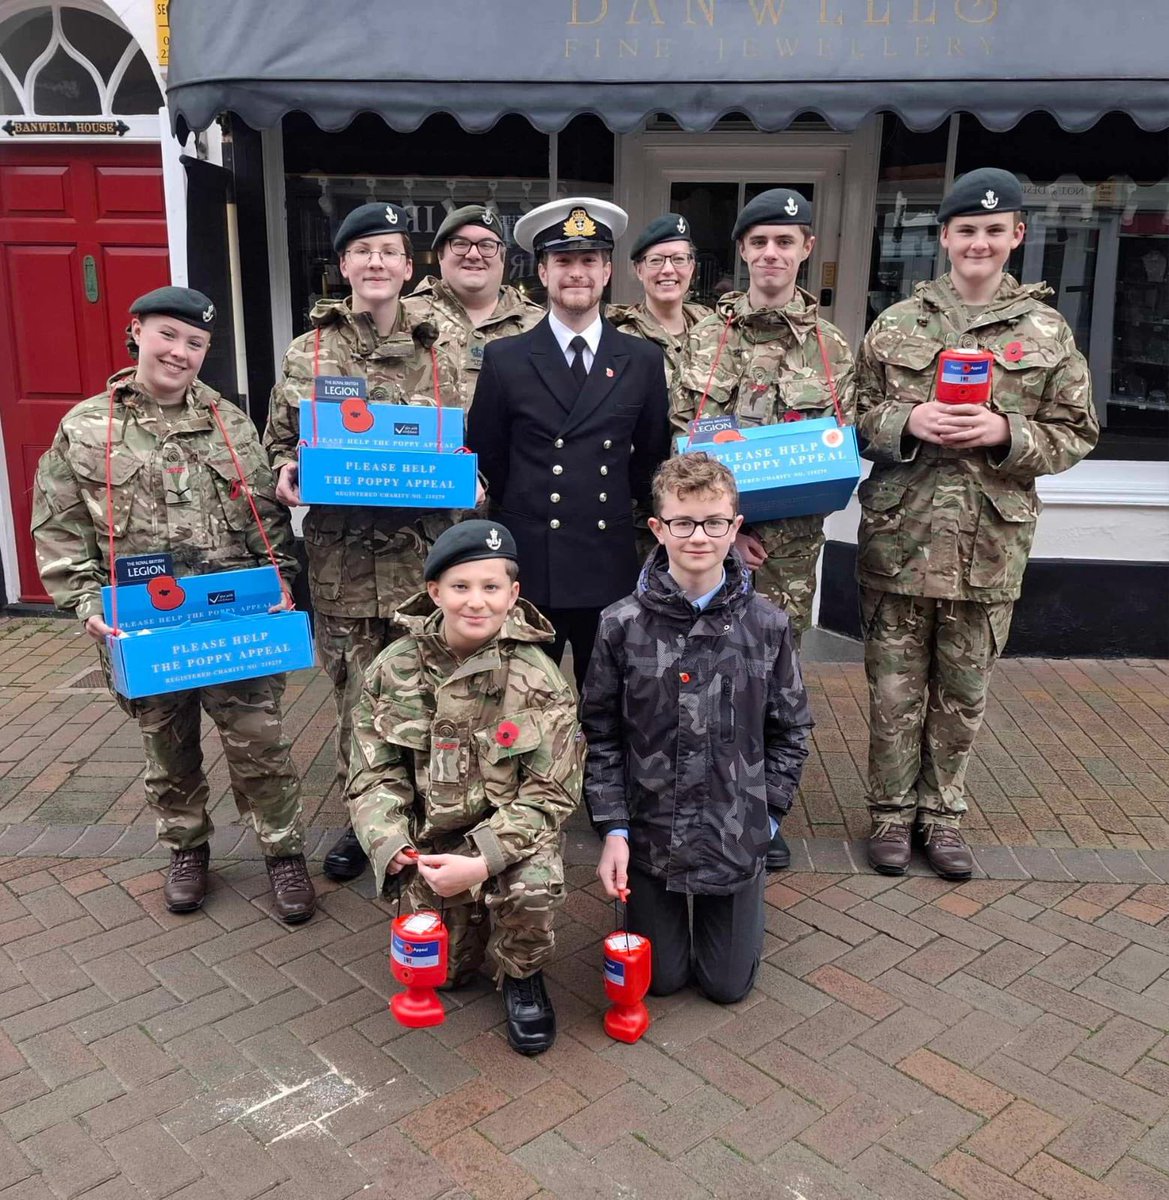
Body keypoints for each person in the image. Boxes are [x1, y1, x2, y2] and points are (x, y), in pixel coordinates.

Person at [32, 287, 315, 922]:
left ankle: (284, 853)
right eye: (168, 336)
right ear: (136, 332)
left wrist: (281, 583)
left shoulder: (228, 421)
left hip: (232, 619)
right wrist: (83, 603)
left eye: (195, 344)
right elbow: (58, 525)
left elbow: (264, 516)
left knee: (260, 744)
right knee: (168, 749)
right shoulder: (86, 428)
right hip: (144, 627)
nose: (180, 353)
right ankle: (187, 848)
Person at [856, 168, 1100, 880]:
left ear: (1015, 236)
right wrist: (907, 420)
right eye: (966, 230)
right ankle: (890, 816)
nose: (979, 243)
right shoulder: (897, 323)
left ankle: (942, 816)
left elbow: (1075, 430)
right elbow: (855, 415)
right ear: (944, 238)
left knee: (962, 694)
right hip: (899, 542)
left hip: (987, 547)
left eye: (994, 231)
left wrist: (1002, 432)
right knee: (894, 691)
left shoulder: (1046, 331)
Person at [264, 201, 460, 885]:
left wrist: (472, 481)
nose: (375, 263)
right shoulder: (307, 350)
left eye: (388, 251)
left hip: (422, 564)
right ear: (342, 265)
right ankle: (364, 824)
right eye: (361, 251)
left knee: (429, 698)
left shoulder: (450, 346)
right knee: (357, 704)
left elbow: (479, 447)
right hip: (342, 565)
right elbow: (277, 448)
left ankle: (426, 819)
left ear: (409, 267)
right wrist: (287, 473)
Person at [582, 453, 812, 1004]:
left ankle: (739, 899)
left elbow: (792, 730)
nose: (699, 537)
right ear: (658, 529)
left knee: (727, 986)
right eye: (682, 523)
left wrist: (768, 814)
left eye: (713, 522)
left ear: (734, 528)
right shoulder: (621, 625)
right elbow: (601, 734)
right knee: (658, 982)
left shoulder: (767, 624)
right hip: (652, 832)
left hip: (733, 831)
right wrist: (614, 827)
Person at [348, 520, 583, 1055]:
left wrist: (484, 859)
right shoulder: (393, 669)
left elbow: (552, 791)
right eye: (460, 587)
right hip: (428, 847)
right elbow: (370, 772)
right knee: (445, 973)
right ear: (435, 592)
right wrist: (394, 846)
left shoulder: (539, 678)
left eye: (491, 587)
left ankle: (522, 975)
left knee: (532, 890)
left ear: (513, 593)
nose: (476, 602)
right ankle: (462, 926)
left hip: (509, 840)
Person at [672, 188, 854, 870]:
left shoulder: (833, 347)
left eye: (786, 240)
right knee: (694, 679)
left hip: (786, 555)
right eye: (759, 241)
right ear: (743, 251)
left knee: (769, 682)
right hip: (702, 549)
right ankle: (693, 804)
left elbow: (837, 443)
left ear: (807, 248)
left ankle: (761, 811)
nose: (772, 253)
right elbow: (675, 442)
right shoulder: (704, 338)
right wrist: (722, 529)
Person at [467, 198, 671, 693]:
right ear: (542, 271)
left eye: (588, 261)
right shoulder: (505, 358)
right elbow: (487, 458)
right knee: (522, 702)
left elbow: (651, 462)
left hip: (608, 560)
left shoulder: (642, 359)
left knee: (607, 705)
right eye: (563, 261)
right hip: (533, 563)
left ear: (607, 272)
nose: (576, 273)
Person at [402, 204, 543, 409]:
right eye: (460, 244)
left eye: (487, 245)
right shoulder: (402, 317)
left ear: (502, 257)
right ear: (440, 255)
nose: (474, 254)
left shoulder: (539, 324)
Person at [606, 213, 709, 384]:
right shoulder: (619, 341)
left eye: (679, 259)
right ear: (639, 270)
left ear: (691, 268)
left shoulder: (715, 332)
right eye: (656, 260)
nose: (668, 269)